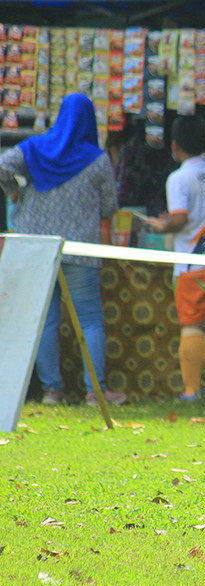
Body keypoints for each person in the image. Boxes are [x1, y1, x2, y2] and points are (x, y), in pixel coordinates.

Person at [0, 93, 125, 407]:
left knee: (44, 320)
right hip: (79, 250)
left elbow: (2, 167)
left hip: (36, 250)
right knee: (90, 320)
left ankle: (52, 390)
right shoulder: (98, 160)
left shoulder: (32, 149)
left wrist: (16, 191)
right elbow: (109, 207)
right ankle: (95, 392)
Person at [146, 115, 205, 401]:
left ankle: (191, 391)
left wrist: (161, 226)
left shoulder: (178, 177)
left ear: (174, 145)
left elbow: (180, 219)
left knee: (192, 324)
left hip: (194, 262)